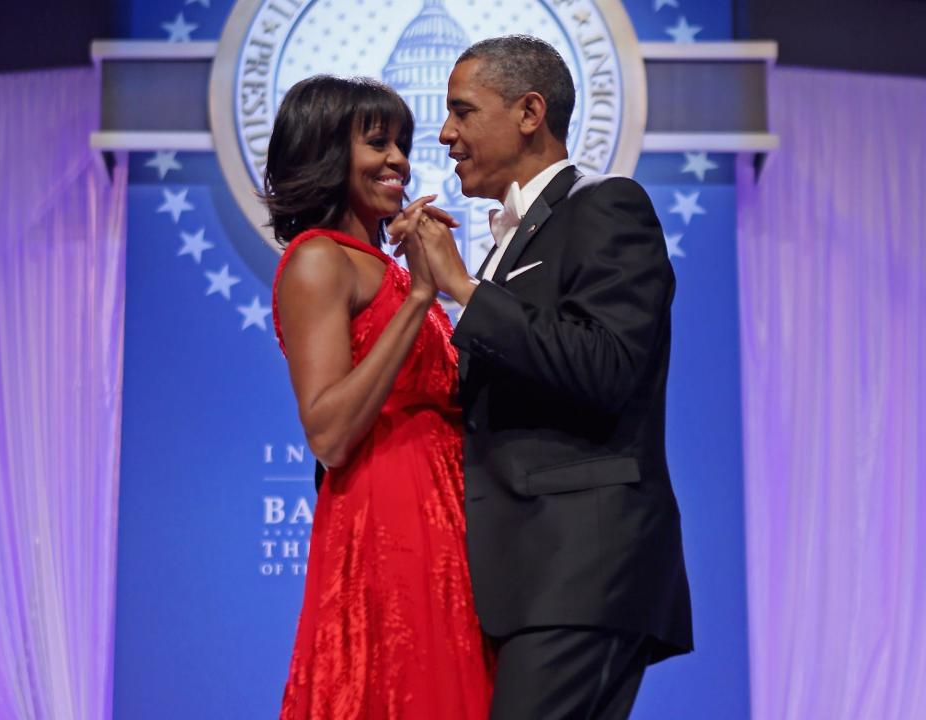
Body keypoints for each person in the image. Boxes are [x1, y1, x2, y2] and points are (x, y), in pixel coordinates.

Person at [403, 36, 694, 719]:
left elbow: (607, 367)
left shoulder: (607, 206)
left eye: (462, 112)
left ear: (530, 112)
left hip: (580, 571)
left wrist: (464, 290)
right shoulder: (509, 239)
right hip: (523, 581)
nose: (445, 133)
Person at [265, 75, 492, 720]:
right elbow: (330, 432)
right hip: (389, 516)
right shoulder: (318, 261)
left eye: (401, 144)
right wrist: (421, 297)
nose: (398, 160)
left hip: (448, 513)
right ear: (326, 154)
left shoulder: (385, 263)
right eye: (377, 143)